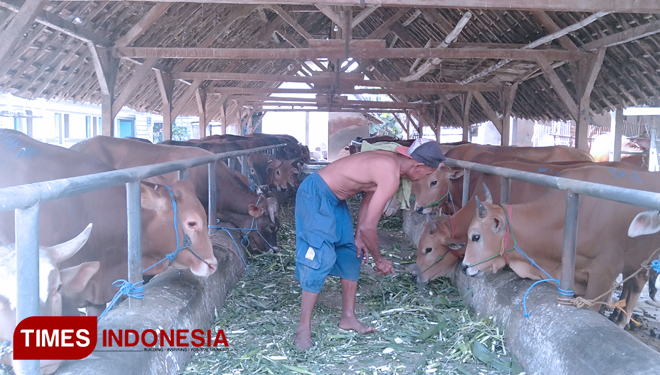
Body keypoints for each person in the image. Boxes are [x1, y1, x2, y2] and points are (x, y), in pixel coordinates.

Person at [293, 138, 446, 350]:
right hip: (315, 193)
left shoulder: (393, 164)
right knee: (321, 256)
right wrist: (379, 259)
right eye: (427, 174)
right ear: (418, 166)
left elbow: (368, 197)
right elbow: (370, 228)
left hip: (336, 200)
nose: (424, 178)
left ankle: (348, 318)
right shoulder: (390, 173)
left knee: (351, 252)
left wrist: (358, 235)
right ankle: (303, 329)